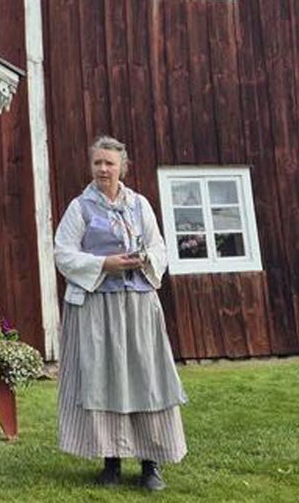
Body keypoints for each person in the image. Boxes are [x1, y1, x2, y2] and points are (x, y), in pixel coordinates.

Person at [55, 135, 187, 491]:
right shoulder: (80, 208)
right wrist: (104, 264)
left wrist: (145, 259)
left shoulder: (140, 205)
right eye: (97, 162)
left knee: (148, 377)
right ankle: (110, 461)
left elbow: (159, 247)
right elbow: (63, 254)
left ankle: (151, 463)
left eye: (109, 163)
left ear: (121, 167)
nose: (103, 169)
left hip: (139, 305)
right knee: (104, 378)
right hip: (98, 307)